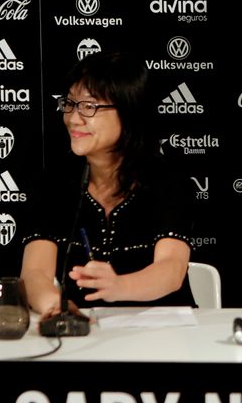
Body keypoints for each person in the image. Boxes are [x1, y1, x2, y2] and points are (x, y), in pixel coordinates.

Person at [20, 51, 195, 322]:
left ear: (128, 112)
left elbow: (171, 269)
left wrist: (118, 286)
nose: (74, 118)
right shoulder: (55, 181)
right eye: (70, 103)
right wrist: (54, 306)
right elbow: (35, 273)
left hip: (164, 332)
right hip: (85, 334)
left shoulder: (166, 179)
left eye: (89, 106)